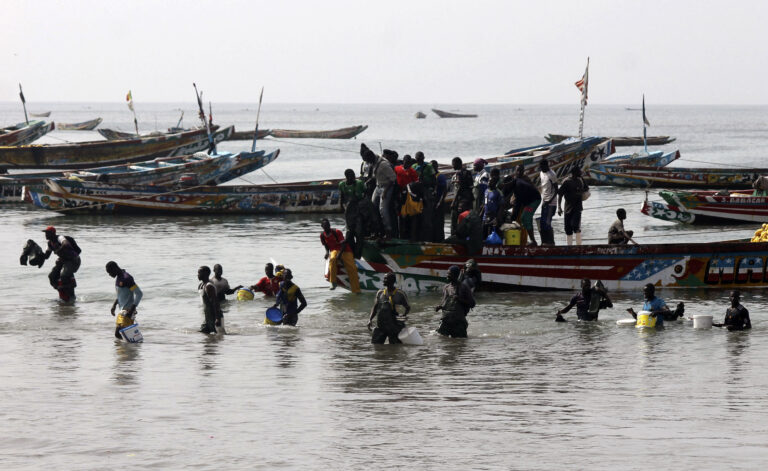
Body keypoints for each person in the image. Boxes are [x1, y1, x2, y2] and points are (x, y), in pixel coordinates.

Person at [367, 272, 411, 344]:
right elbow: (375, 307)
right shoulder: (380, 293)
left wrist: (403, 317)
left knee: (394, 348)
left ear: (392, 281)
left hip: (394, 326)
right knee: (376, 346)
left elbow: (408, 307)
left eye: (385, 279)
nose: (383, 280)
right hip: (381, 325)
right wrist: (370, 319)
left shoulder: (400, 294)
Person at [42, 226, 81, 302]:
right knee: (52, 276)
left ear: (53, 233)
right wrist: (37, 254)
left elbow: (66, 244)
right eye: (45, 233)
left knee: (64, 275)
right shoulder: (50, 243)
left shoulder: (60, 238)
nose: (46, 235)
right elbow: (46, 256)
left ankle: (71, 290)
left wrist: (59, 250)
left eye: (47, 233)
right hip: (64, 261)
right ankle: (62, 290)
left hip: (74, 260)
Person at [365, 145, 397, 237]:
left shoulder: (383, 164)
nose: (368, 163)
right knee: (372, 207)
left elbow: (393, 179)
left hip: (387, 187)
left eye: (368, 160)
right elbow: (376, 175)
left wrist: (385, 192)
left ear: (371, 157)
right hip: (378, 186)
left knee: (383, 209)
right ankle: (378, 229)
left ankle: (388, 231)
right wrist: (369, 180)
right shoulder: (374, 162)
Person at [320, 218, 360, 292]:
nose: (327, 227)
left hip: (345, 250)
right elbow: (326, 245)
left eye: (328, 225)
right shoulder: (322, 235)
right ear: (322, 226)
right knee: (332, 259)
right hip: (334, 250)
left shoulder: (337, 232)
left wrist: (340, 255)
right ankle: (333, 281)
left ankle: (356, 289)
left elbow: (344, 244)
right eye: (325, 225)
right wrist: (326, 252)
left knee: (352, 268)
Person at [106, 261, 144, 339]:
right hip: (122, 311)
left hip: (127, 311)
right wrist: (114, 305)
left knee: (119, 334)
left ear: (115, 268)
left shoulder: (127, 278)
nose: (109, 275)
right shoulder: (119, 278)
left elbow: (139, 293)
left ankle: (129, 349)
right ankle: (130, 349)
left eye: (110, 272)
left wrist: (132, 308)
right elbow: (121, 295)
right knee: (125, 335)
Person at [436, 265, 475, 338]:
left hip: (458, 322)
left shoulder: (464, 287)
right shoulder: (446, 287)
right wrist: (440, 306)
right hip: (446, 321)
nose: (447, 275)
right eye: (447, 273)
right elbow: (444, 301)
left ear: (455, 275)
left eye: (449, 274)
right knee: (441, 340)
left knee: (460, 343)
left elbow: (472, 304)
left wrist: (459, 299)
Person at [557, 167, 588, 246]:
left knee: (576, 226)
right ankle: (569, 246)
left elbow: (586, 189)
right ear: (575, 172)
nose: (581, 172)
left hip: (577, 208)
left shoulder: (580, 180)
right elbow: (560, 194)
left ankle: (578, 245)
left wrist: (581, 192)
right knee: (567, 228)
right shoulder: (567, 182)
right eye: (579, 171)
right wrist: (559, 207)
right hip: (568, 208)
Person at [506, 176, 542, 246]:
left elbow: (517, 205)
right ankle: (529, 240)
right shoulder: (515, 183)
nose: (507, 187)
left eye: (507, 185)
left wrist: (512, 219)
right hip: (528, 201)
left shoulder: (518, 186)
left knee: (525, 218)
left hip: (534, 201)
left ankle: (533, 241)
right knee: (524, 219)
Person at [413, 152, 435, 241]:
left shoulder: (428, 166)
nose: (419, 160)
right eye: (417, 158)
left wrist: (427, 184)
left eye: (420, 158)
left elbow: (434, 179)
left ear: (423, 158)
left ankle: (428, 238)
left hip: (426, 191)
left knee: (427, 216)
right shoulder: (413, 166)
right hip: (416, 191)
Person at [450, 157, 474, 236]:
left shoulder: (459, 173)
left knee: (456, 220)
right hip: (468, 200)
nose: (452, 166)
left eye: (453, 164)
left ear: (458, 164)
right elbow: (471, 187)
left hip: (461, 201)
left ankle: (455, 237)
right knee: (465, 220)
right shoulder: (468, 172)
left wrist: (453, 201)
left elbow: (460, 188)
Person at [198, 266, 223, 334]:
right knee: (203, 333)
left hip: (215, 316)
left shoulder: (209, 286)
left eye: (199, 273)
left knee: (220, 335)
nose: (197, 275)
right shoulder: (201, 285)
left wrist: (217, 318)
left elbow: (215, 302)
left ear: (205, 274)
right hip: (207, 316)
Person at [538, 160, 559, 245]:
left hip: (551, 203)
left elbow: (556, 190)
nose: (542, 169)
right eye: (540, 167)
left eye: (543, 167)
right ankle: (544, 242)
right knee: (542, 223)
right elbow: (543, 187)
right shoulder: (541, 173)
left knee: (547, 222)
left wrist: (549, 200)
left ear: (547, 166)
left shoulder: (552, 175)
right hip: (544, 201)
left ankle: (551, 243)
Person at [432, 160, 448, 241]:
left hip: (439, 202)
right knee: (433, 223)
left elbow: (445, 190)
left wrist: (439, 202)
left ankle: (441, 239)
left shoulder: (440, 176)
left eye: (434, 166)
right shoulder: (431, 176)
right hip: (433, 202)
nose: (432, 168)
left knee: (439, 223)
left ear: (437, 166)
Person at [483, 169, 502, 238]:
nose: (489, 183)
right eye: (489, 181)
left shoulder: (498, 192)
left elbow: (501, 206)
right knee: (484, 233)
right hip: (485, 216)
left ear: (495, 183)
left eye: (491, 181)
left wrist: (497, 218)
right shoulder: (486, 191)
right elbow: (485, 203)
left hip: (493, 216)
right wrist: (481, 213)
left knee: (492, 233)